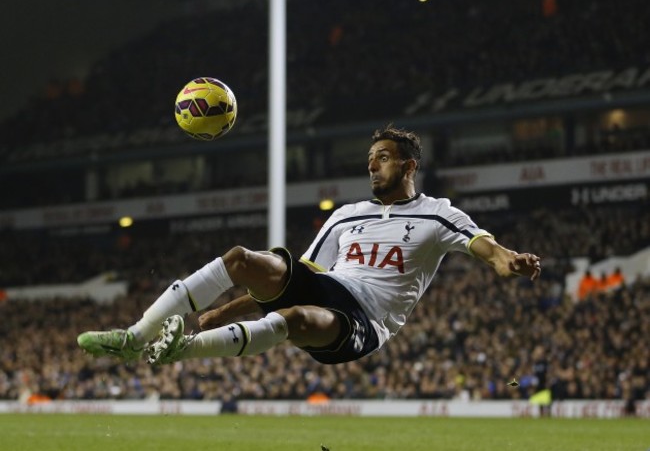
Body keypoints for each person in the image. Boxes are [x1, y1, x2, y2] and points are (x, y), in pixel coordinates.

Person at [78, 125, 541, 366]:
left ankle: (184, 349)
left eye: (382, 159)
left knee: (293, 318)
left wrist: (508, 261)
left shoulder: (437, 214)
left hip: (366, 321)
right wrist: (225, 310)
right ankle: (133, 337)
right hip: (330, 287)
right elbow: (301, 275)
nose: (373, 168)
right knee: (242, 258)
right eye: (369, 161)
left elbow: (485, 246)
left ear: (409, 165)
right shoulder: (346, 215)